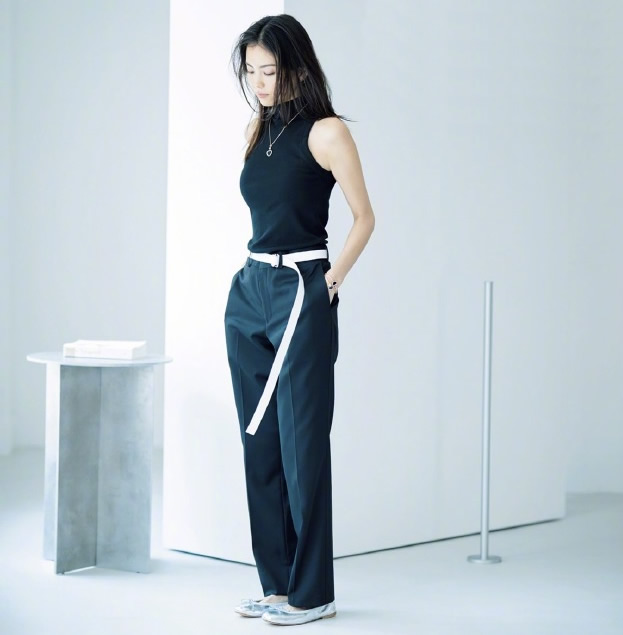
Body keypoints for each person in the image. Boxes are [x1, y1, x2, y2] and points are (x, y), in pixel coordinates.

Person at [224, 13, 375, 626]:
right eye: (252, 72)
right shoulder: (257, 127)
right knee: (259, 441)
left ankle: (314, 594)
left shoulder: (328, 132)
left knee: (302, 445)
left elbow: (365, 217)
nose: (260, 83)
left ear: (299, 67)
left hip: (301, 287)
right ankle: (278, 587)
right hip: (250, 289)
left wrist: (328, 284)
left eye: (270, 70)